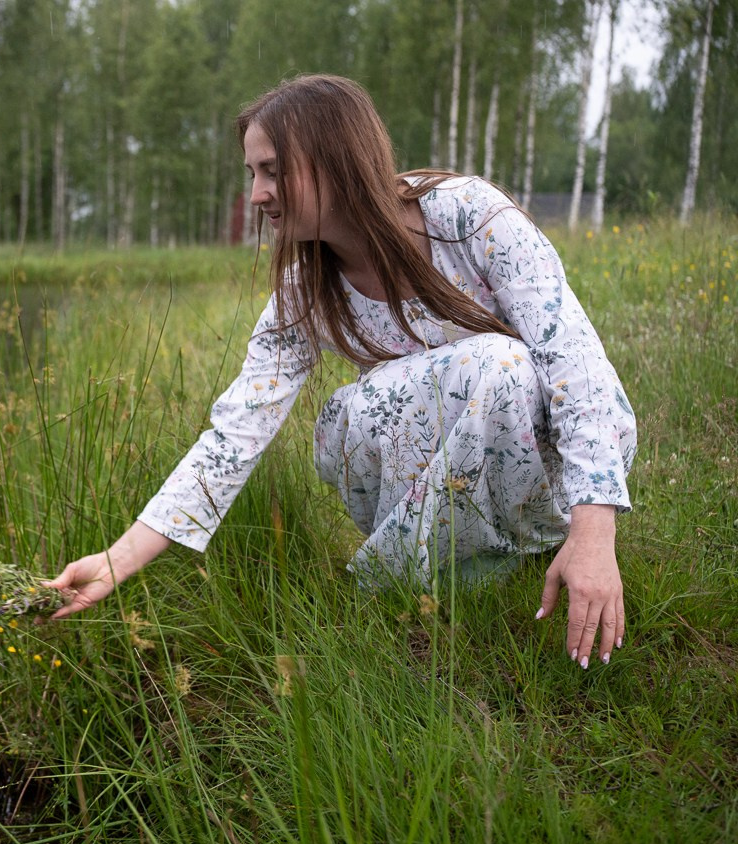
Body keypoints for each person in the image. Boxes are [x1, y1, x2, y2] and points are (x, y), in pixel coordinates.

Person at [43, 74, 637, 670]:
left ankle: (426, 573)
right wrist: (117, 560)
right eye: (252, 174)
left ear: (336, 159)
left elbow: (576, 363)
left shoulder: (468, 215)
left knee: (500, 366)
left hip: (550, 464)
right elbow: (238, 430)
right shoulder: (306, 283)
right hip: (445, 470)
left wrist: (594, 530)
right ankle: (443, 574)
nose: (257, 194)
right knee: (348, 415)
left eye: (273, 171)